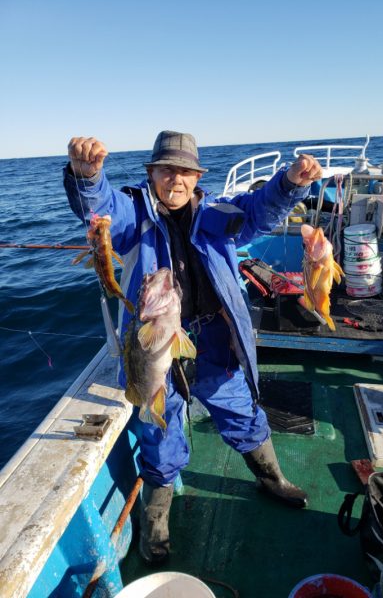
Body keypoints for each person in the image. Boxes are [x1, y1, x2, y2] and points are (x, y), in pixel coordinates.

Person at [64, 131, 322, 564]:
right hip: (156, 347)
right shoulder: (132, 216)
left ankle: (272, 477)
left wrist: (292, 183)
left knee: (242, 411)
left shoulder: (220, 213)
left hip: (214, 343)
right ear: (152, 174)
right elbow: (100, 211)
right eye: (167, 170)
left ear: (198, 177)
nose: (176, 180)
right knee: (159, 430)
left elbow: (260, 211)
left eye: (185, 171)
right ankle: (156, 519)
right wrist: (88, 177)